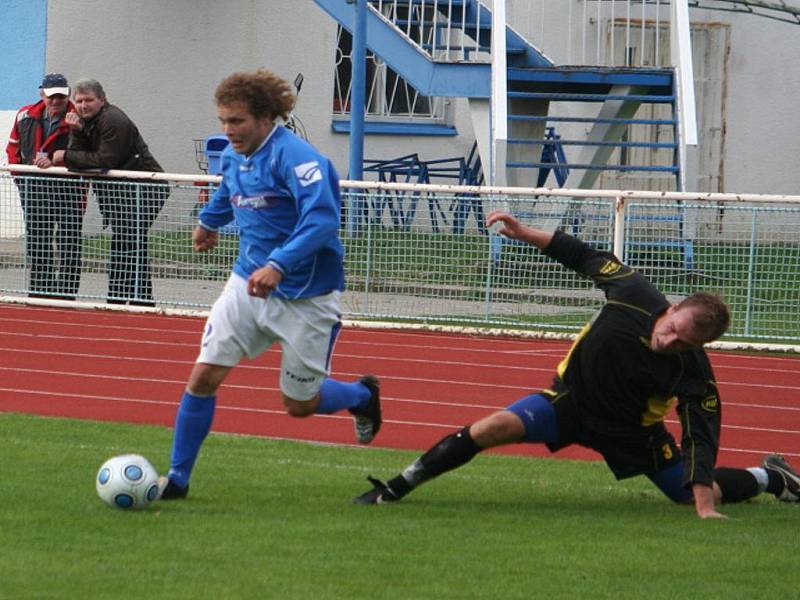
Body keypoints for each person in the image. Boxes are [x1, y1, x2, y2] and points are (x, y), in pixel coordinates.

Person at [354, 211, 800, 518]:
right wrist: (525, 232)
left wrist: (705, 506)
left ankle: (771, 477)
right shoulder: (632, 290)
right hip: (568, 402)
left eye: (685, 342)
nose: (671, 340)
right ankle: (394, 489)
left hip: (634, 434)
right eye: (674, 327)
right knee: (489, 428)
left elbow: (701, 438)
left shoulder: (694, 373)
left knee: (686, 496)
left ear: (699, 345)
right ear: (674, 306)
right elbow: (582, 256)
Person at [157, 69, 382, 500]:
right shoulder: (238, 152)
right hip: (246, 282)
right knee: (203, 376)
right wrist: (209, 221)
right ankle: (178, 479)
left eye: (236, 121)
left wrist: (279, 264)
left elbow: (323, 221)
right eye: (223, 120)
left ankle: (362, 395)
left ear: (264, 117)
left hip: (305, 296)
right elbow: (232, 186)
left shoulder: (299, 159)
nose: (227, 130)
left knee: (300, 406)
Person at [51, 79, 167, 306]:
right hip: (118, 190)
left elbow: (105, 159)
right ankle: (122, 299)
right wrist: (76, 132)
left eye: (89, 100)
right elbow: (79, 160)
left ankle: (134, 301)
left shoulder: (113, 119)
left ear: (102, 100)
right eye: (79, 100)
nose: (83, 106)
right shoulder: (86, 122)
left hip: (144, 188)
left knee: (130, 241)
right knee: (124, 241)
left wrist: (65, 156)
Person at [5, 73, 85, 299]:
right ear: (42, 94)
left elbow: (86, 154)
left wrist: (75, 136)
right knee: (38, 238)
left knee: (69, 240)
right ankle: (40, 289)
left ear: (67, 94)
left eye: (60, 96)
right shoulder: (24, 115)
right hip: (34, 188)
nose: (56, 101)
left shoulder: (78, 117)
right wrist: (20, 179)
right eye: (51, 96)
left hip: (68, 189)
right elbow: (13, 149)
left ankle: (67, 294)